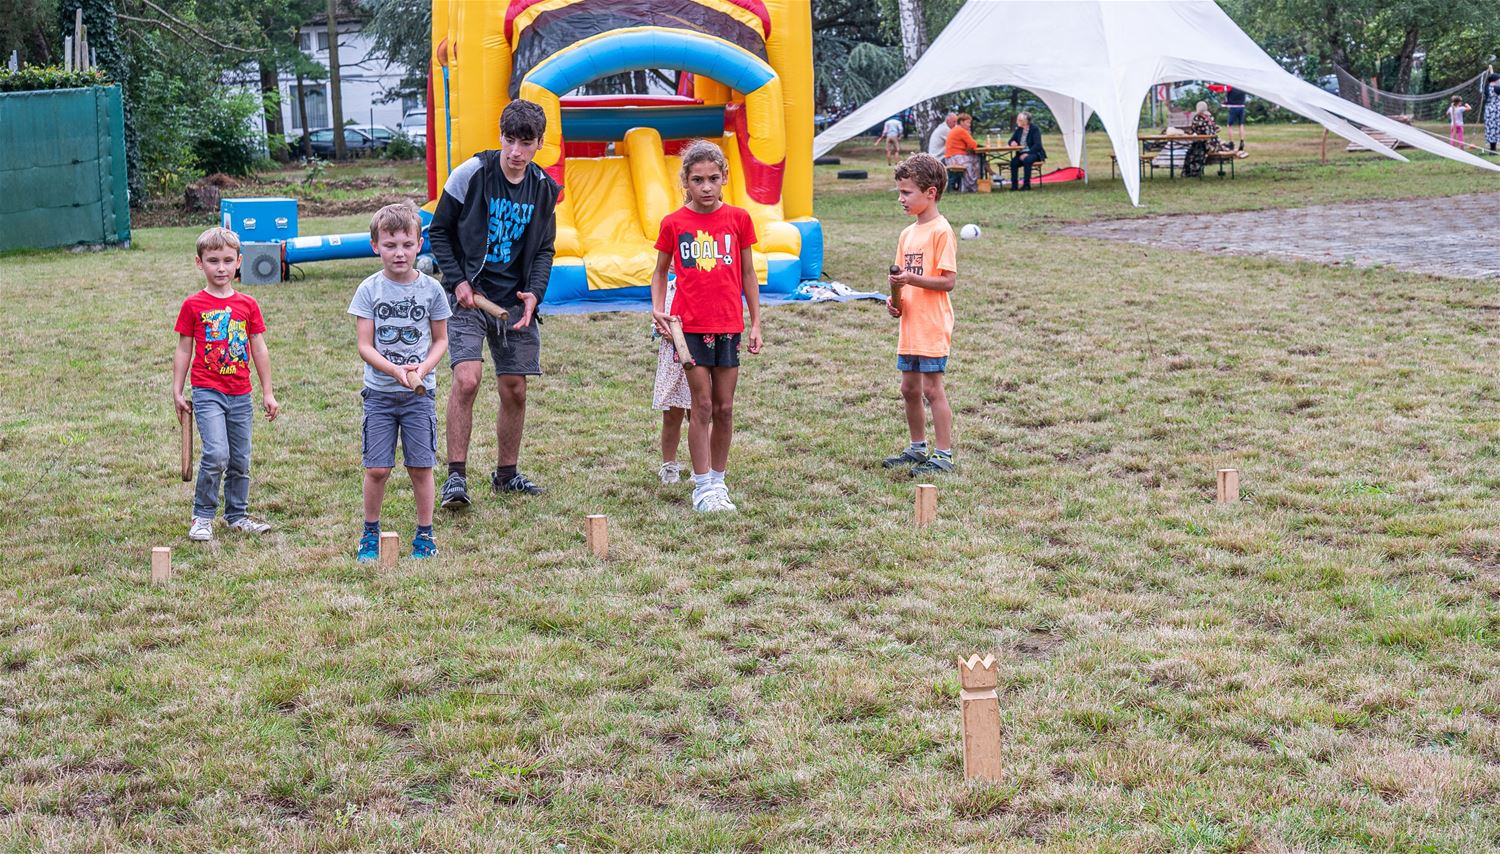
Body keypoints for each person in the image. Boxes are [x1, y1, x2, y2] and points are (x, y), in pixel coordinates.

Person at [428, 99, 558, 507]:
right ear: (500, 136)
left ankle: (506, 475)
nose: (516, 152)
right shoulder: (472, 173)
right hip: (469, 298)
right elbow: (438, 231)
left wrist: (535, 292)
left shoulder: (544, 188)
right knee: (467, 379)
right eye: (509, 140)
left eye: (526, 143)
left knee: (515, 388)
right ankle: (455, 478)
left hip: (513, 301)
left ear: (540, 143)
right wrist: (458, 281)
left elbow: (545, 249)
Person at [650, 139, 763, 513]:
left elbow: (748, 274)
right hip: (688, 329)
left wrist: (756, 323)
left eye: (713, 178)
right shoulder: (673, 223)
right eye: (697, 180)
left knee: (724, 407)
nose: (706, 187)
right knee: (700, 405)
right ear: (685, 181)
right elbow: (659, 272)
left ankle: (718, 482)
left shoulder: (739, 219)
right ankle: (701, 488)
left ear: (724, 177)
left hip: (729, 326)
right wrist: (658, 310)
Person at [348, 202, 451, 561]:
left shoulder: (432, 290)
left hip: (419, 396)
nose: (399, 253)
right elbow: (365, 345)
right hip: (380, 394)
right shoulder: (369, 290)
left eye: (407, 244)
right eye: (390, 245)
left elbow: (441, 340)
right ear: (375, 246)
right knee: (377, 468)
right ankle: (369, 534)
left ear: (419, 244)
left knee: (421, 467)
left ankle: (425, 535)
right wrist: (394, 371)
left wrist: (423, 368)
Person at [171, 226, 280, 542]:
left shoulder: (248, 304)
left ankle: (237, 516)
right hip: (208, 391)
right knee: (217, 453)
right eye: (213, 261)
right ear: (199, 263)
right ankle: (202, 516)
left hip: (241, 394)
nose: (221, 268)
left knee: (240, 458)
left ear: (239, 262)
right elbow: (184, 349)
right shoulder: (193, 305)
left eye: (228, 261)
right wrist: (177, 390)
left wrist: (268, 392)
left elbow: (259, 348)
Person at [883, 154, 957, 476]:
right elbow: (900, 279)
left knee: (931, 390)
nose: (901, 198)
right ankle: (917, 448)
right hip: (910, 325)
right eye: (899, 192)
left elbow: (948, 281)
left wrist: (911, 279)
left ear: (931, 193)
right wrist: (895, 300)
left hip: (932, 325)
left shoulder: (941, 231)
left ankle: (943, 456)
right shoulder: (906, 234)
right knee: (909, 389)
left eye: (907, 192)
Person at [653, 280, 691, 485]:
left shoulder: (702, 285)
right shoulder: (668, 289)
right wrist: (661, 329)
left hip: (698, 355)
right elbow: (658, 319)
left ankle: (704, 468)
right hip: (673, 361)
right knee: (671, 415)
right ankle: (669, 465)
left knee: (700, 415)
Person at [1007, 111, 1047, 191]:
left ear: (1026, 121)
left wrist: (1027, 153)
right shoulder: (1019, 129)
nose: (1017, 121)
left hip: (1034, 153)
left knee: (1027, 160)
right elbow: (1010, 140)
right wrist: (1012, 142)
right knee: (1013, 162)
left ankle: (1026, 185)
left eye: (1020, 120)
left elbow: (1038, 145)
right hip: (1021, 153)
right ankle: (1014, 186)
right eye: (1018, 120)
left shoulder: (1034, 129)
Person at [944, 112, 980, 193]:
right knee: (978, 160)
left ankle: (970, 184)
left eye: (970, 123)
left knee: (977, 158)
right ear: (961, 122)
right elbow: (973, 144)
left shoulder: (956, 129)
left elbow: (968, 146)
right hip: (955, 157)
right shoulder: (961, 130)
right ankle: (972, 185)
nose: (969, 125)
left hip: (950, 157)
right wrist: (969, 134)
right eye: (968, 122)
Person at [1183, 101, 1220, 178]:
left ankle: (1190, 172)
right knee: (1195, 149)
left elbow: (1193, 131)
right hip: (1215, 145)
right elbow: (1214, 129)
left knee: (1192, 151)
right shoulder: (1210, 117)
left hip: (1206, 145)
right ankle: (1195, 171)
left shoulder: (1197, 118)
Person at [1221, 84, 1247, 151]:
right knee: (1241, 125)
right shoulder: (1243, 87)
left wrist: (1209, 86)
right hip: (1242, 107)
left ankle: (1231, 143)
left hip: (1233, 108)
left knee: (1229, 125)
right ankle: (1242, 141)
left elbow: (1220, 88)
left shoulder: (1231, 86)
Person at [1483, 72, 1500, 154]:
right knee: (1495, 129)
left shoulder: (1486, 87)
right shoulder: (1496, 88)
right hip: (1496, 111)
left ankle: (1492, 150)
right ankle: (1493, 151)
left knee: (1491, 129)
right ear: (1495, 80)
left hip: (1488, 110)